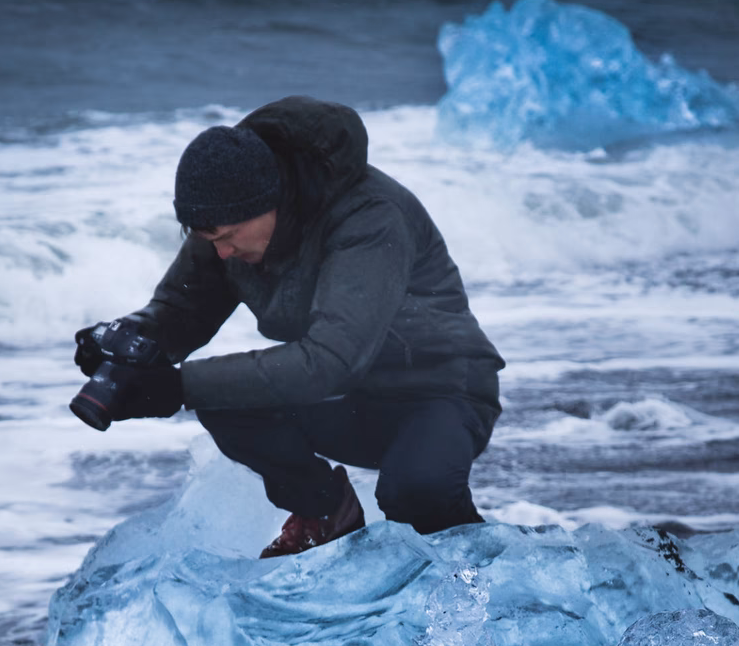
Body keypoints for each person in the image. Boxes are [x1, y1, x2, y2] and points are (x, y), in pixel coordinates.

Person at [73, 96, 505, 558]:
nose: (220, 253)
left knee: (416, 492)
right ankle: (326, 514)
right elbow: (181, 309)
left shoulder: (370, 217)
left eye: (225, 238)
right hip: (355, 400)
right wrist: (130, 342)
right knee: (228, 402)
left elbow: (332, 361)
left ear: (270, 201)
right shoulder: (228, 221)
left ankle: (484, 578)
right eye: (206, 241)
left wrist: (177, 387)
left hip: (439, 391)